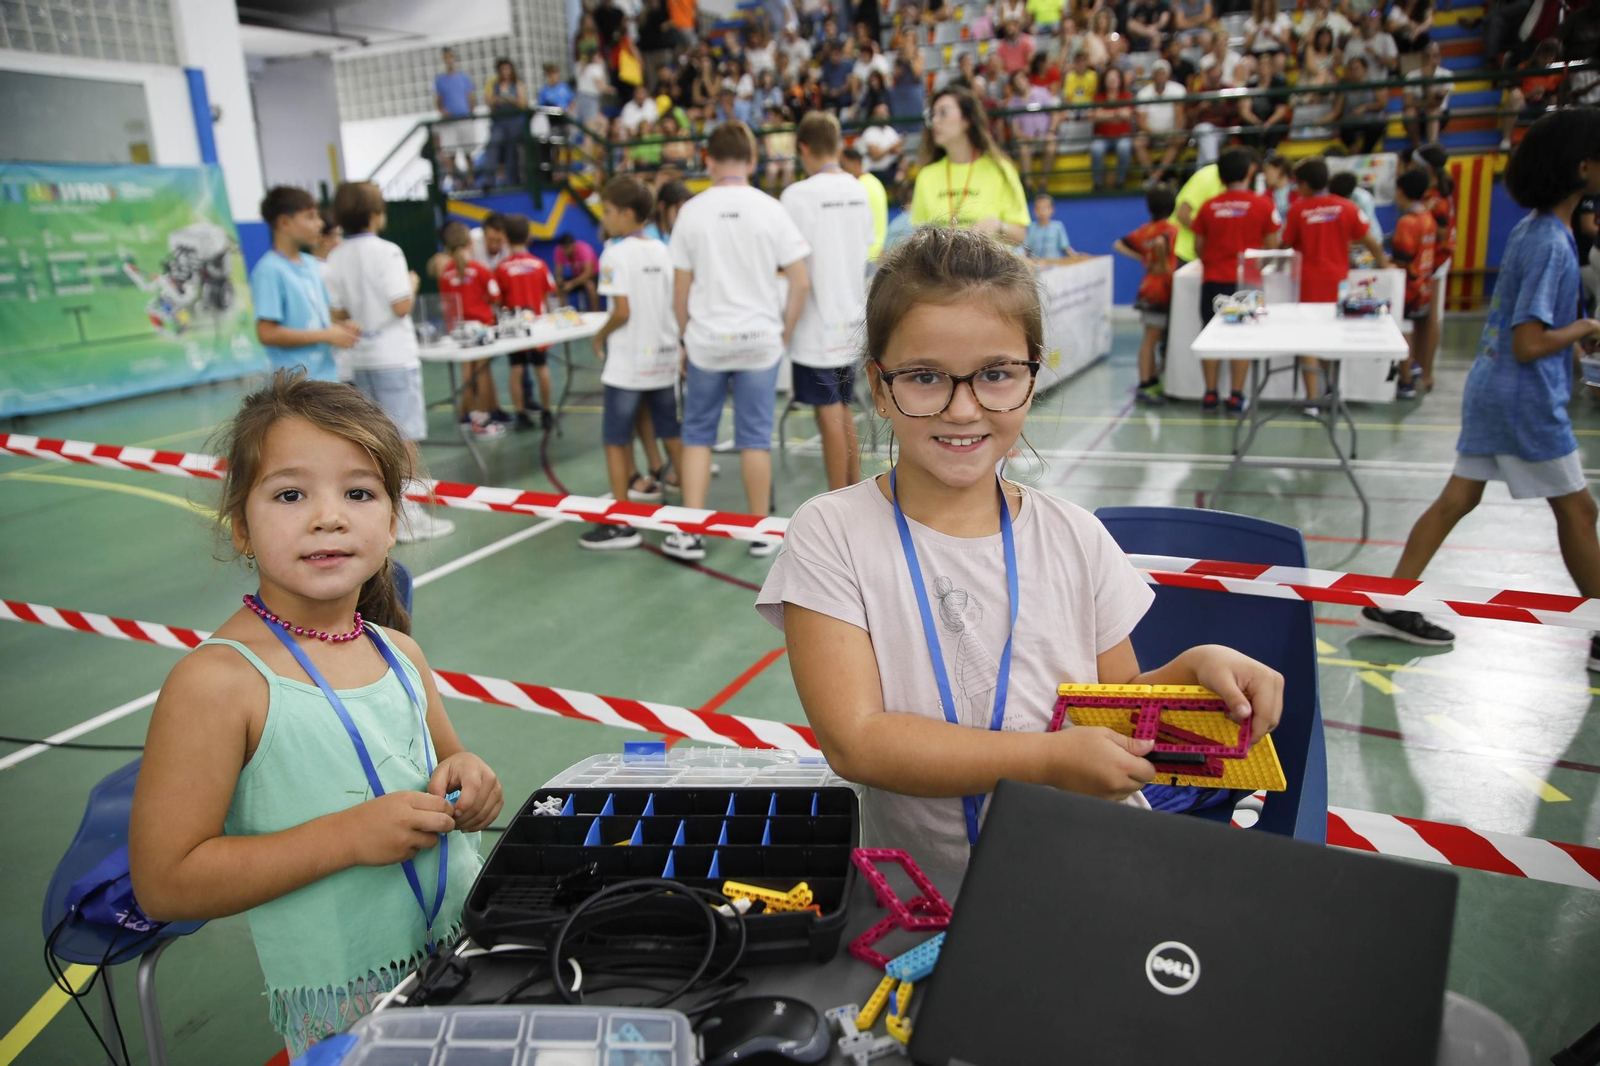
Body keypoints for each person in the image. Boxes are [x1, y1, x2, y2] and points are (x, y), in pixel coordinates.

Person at [754, 226, 1285, 877]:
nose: (963, 408)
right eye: (926, 377)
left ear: (1031, 378)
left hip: (1088, 868)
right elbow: (856, 741)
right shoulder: (831, 533)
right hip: (926, 892)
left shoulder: (1075, 535)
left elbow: (1116, 703)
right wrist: (1047, 761)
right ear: (881, 386)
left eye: (997, 375)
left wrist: (1195, 669)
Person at [128, 371, 501, 1057]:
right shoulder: (217, 681)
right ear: (240, 525)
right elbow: (165, 883)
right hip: (349, 1012)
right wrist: (346, 838)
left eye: (358, 493)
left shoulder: (399, 652)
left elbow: (448, 760)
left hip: (463, 955)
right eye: (291, 494)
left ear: (391, 524)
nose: (327, 516)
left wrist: (469, 775)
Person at [1359, 109, 1600, 656]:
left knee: (1458, 497)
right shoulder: (1551, 242)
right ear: (1583, 166)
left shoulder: (1536, 229)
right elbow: (1529, 342)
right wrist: (1585, 326)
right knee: (1580, 511)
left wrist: (1574, 333)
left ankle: (1393, 598)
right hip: (1525, 397)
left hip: (1495, 388)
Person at [668, 122, 812, 561]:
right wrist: (783, 333)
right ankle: (761, 533)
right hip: (759, 342)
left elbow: (679, 291)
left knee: (696, 435)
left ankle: (690, 532)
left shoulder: (691, 211)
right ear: (752, 161)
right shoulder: (770, 209)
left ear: (707, 159)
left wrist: (685, 337)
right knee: (755, 437)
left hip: (708, 341)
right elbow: (801, 282)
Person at [324, 182, 455, 542]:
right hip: (393, 357)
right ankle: (408, 514)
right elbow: (401, 305)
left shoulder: (335, 256)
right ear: (374, 214)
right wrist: (411, 284)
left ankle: (376, 510)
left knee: (370, 437)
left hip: (358, 358)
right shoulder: (388, 252)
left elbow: (337, 311)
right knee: (403, 436)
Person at [581, 178, 686, 550]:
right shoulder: (664, 250)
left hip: (627, 366)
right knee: (671, 436)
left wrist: (598, 335)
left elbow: (621, 311)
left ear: (626, 214)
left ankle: (621, 523)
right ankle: (691, 517)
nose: (605, 219)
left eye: (607, 212)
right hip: (663, 360)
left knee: (615, 440)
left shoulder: (614, 253)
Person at [782, 113, 874, 491]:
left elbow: (792, 267)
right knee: (842, 406)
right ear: (837, 144)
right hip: (850, 319)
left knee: (829, 412)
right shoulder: (858, 189)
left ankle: (838, 500)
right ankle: (851, 490)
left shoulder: (797, 195)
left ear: (803, 148)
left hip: (815, 324)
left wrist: (785, 330)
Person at [1280, 158, 1389, 413]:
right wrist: (1383, 264)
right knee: (1331, 335)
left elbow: (1285, 244)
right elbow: (1371, 240)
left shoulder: (1298, 210)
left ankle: (1311, 399)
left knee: (1308, 340)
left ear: (1305, 184)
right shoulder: (1347, 208)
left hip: (1307, 283)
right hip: (1337, 283)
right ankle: (1330, 388)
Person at [1192, 146, 1281, 412]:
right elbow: (1272, 246)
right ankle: (1235, 396)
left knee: (1210, 334)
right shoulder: (1263, 204)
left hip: (1214, 279)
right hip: (1248, 283)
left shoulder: (1209, 207)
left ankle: (1209, 395)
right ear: (1250, 172)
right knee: (1242, 337)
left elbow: (1199, 246)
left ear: (1220, 177)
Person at [250, 186, 357, 385]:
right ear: (284, 223)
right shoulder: (269, 270)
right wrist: (325, 335)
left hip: (328, 378)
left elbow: (321, 318)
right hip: (296, 385)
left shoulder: (310, 264)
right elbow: (267, 333)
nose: (319, 223)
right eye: (310, 216)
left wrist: (341, 328)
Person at [910, 87, 1030, 243]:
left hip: (989, 266)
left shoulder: (1001, 170)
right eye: (932, 115)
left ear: (967, 120)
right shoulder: (926, 176)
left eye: (943, 113)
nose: (935, 121)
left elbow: (1020, 236)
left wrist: (998, 226)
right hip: (940, 267)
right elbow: (918, 238)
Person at [436, 221, 507, 439]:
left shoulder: (446, 273)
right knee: (482, 372)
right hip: (482, 328)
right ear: (469, 244)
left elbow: (446, 301)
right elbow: (496, 297)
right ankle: (484, 418)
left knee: (467, 372)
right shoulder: (481, 270)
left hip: (458, 329)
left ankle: (466, 415)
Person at [1115, 182, 1179, 405]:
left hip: (1148, 285)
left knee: (1152, 335)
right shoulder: (1168, 229)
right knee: (1151, 338)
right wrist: (1161, 263)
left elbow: (1119, 244)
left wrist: (1145, 258)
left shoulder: (1145, 230)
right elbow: (1162, 243)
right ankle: (1145, 384)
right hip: (1160, 288)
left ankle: (1151, 379)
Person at [494, 214, 560, 431]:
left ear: (505, 238)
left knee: (516, 369)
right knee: (542, 367)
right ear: (529, 237)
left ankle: (521, 415)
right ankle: (547, 412)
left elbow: (497, 299)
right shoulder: (539, 265)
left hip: (514, 329)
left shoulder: (502, 268)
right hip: (538, 327)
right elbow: (550, 294)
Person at [1388, 166, 1439, 400]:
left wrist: (1385, 263)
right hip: (1424, 285)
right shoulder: (1428, 218)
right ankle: (1415, 367)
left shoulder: (1408, 222)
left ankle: (1406, 381)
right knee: (1414, 327)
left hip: (1408, 288)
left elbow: (1402, 258)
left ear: (1401, 192)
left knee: (1404, 331)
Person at [1499, 38, 1563, 152]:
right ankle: (1506, 139)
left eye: (1550, 56)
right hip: (1525, 105)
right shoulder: (1524, 67)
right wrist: (1531, 94)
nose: (1546, 59)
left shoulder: (1559, 72)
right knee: (1514, 95)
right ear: (1537, 55)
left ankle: (1552, 139)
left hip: (1545, 107)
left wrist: (1546, 95)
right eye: (1544, 55)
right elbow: (1514, 91)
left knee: (1553, 100)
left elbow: (1558, 96)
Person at [1133, 60, 1186, 186]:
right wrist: (1154, 133)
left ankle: (1157, 176)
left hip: (1171, 131)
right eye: (1157, 73)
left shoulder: (1178, 90)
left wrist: (1174, 131)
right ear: (1153, 76)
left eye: (1163, 73)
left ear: (1168, 75)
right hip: (1150, 132)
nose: (1160, 76)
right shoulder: (1144, 93)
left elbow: (1180, 116)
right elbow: (1141, 120)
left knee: (1179, 138)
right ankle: (1153, 176)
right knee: (1138, 142)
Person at [483, 58, 529, 188]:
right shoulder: (494, 85)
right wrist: (499, 100)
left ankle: (512, 181)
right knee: (493, 146)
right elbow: (490, 103)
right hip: (499, 122)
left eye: (507, 69)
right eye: (502, 69)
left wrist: (512, 100)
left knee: (512, 152)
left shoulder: (517, 84)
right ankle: (488, 180)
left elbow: (523, 104)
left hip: (513, 122)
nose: (505, 72)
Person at [434, 47, 478, 179]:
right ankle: (454, 182)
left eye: (451, 57)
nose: (449, 60)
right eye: (446, 58)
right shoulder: (440, 80)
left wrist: (470, 112)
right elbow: (438, 100)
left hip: (464, 119)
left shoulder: (464, 78)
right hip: (449, 122)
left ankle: (472, 179)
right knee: (451, 153)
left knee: (468, 152)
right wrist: (443, 112)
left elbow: (470, 97)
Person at [1089, 67, 1135, 191]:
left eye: (1115, 78)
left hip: (1122, 136)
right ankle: (1097, 184)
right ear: (1104, 81)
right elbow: (1095, 116)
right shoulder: (1099, 98)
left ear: (1120, 81)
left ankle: (1120, 182)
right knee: (1096, 149)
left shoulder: (1126, 96)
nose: (1112, 81)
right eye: (1109, 79)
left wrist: (1105, 114)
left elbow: (1126, 115)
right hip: (1102, 137)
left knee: (1124, 147)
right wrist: (1116, 114)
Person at [1170, 158, 1225, 263]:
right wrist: (1208, 236)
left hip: (1204, 255)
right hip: (1181, 253)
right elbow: (1182, 214)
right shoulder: (1208, 176)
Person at [842, 145, 889, 261]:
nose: (840, 170)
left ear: (855, 162)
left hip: (866, 255)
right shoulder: (873, 182)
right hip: (875, 252)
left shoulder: (859, 187)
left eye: (843, 165)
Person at [1337, 56, 1389, 154]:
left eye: (1357, 68)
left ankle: (1365, 153)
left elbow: (1382, 104)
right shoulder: (1345, 87)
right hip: (1353, 121)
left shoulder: (1374, 84)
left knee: (1376, 127)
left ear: (1364, 68)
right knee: (1344, 130)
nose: (1354, 71)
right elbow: (1337, 110)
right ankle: (1357, 154)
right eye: (1351, 69)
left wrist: (1365, 107)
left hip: (1372, 121)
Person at [1328, 170, 1384, 259]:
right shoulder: (1330, 196)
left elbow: (1365, 231)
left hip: (1369, 244)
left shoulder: (1363, 199)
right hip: (1347, 243)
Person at [1403, 41, 1451, 146]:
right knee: (1409, 112)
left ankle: (1432, 144)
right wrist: (1427, 102)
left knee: (1432, 111)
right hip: (1417, 116)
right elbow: (1407, 103)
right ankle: (1417, 145)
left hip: (1439, 115)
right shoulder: (1411, 76)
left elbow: (1437, 103)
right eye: (1427, 56)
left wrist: (1428, 81)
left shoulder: (1446, 75)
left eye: (1434, 56)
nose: (1430, 60)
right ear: (1422, 58)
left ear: (1439, 58)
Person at [1343, 9, 1399, 76]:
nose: (1368, 23)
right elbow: (1346, 68)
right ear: (1360, 23)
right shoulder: (1352, 43)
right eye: (1365, 20)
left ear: (1377, 23)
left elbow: (1393, 65)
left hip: (1380, 84)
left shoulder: (1386, 38)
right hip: (1359, 85)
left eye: (1371, 20)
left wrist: (1376, 55)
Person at [555, 232, 600, 311]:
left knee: (589, 284)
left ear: (573, 244)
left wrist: (572, 283)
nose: (565, 251)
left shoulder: (584, 249)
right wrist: (559, 280)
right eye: (563, 248)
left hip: (593, 275)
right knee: (559, 287)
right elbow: (558, 272)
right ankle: (562, 312)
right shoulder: (559, 251)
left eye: (567, 248)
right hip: (577, 276)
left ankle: (595, 311)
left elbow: (588, 273)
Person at [1023, 193, 1073, 258]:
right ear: (1034, 211)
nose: (1042, 211)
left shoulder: (1058, 226)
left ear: (1052, 209)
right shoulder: (1030, 227)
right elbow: (1027, 249)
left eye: (1045, 208)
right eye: (1039, 208)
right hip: (1035, 265)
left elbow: (1066, 248)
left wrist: (1076, 257)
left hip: (1054, 265)